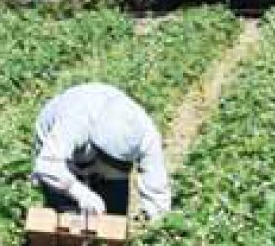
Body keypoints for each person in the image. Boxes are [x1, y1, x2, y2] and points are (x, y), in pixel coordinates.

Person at [30, 82, 171, 221]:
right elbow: (47, 165)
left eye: (118, 164)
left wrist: (155, 223)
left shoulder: (146, 133)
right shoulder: (74, 121)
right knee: (66, 215)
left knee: (114, 217)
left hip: (89, 144)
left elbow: (157, 191)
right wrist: (79, 192)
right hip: (61, 151)